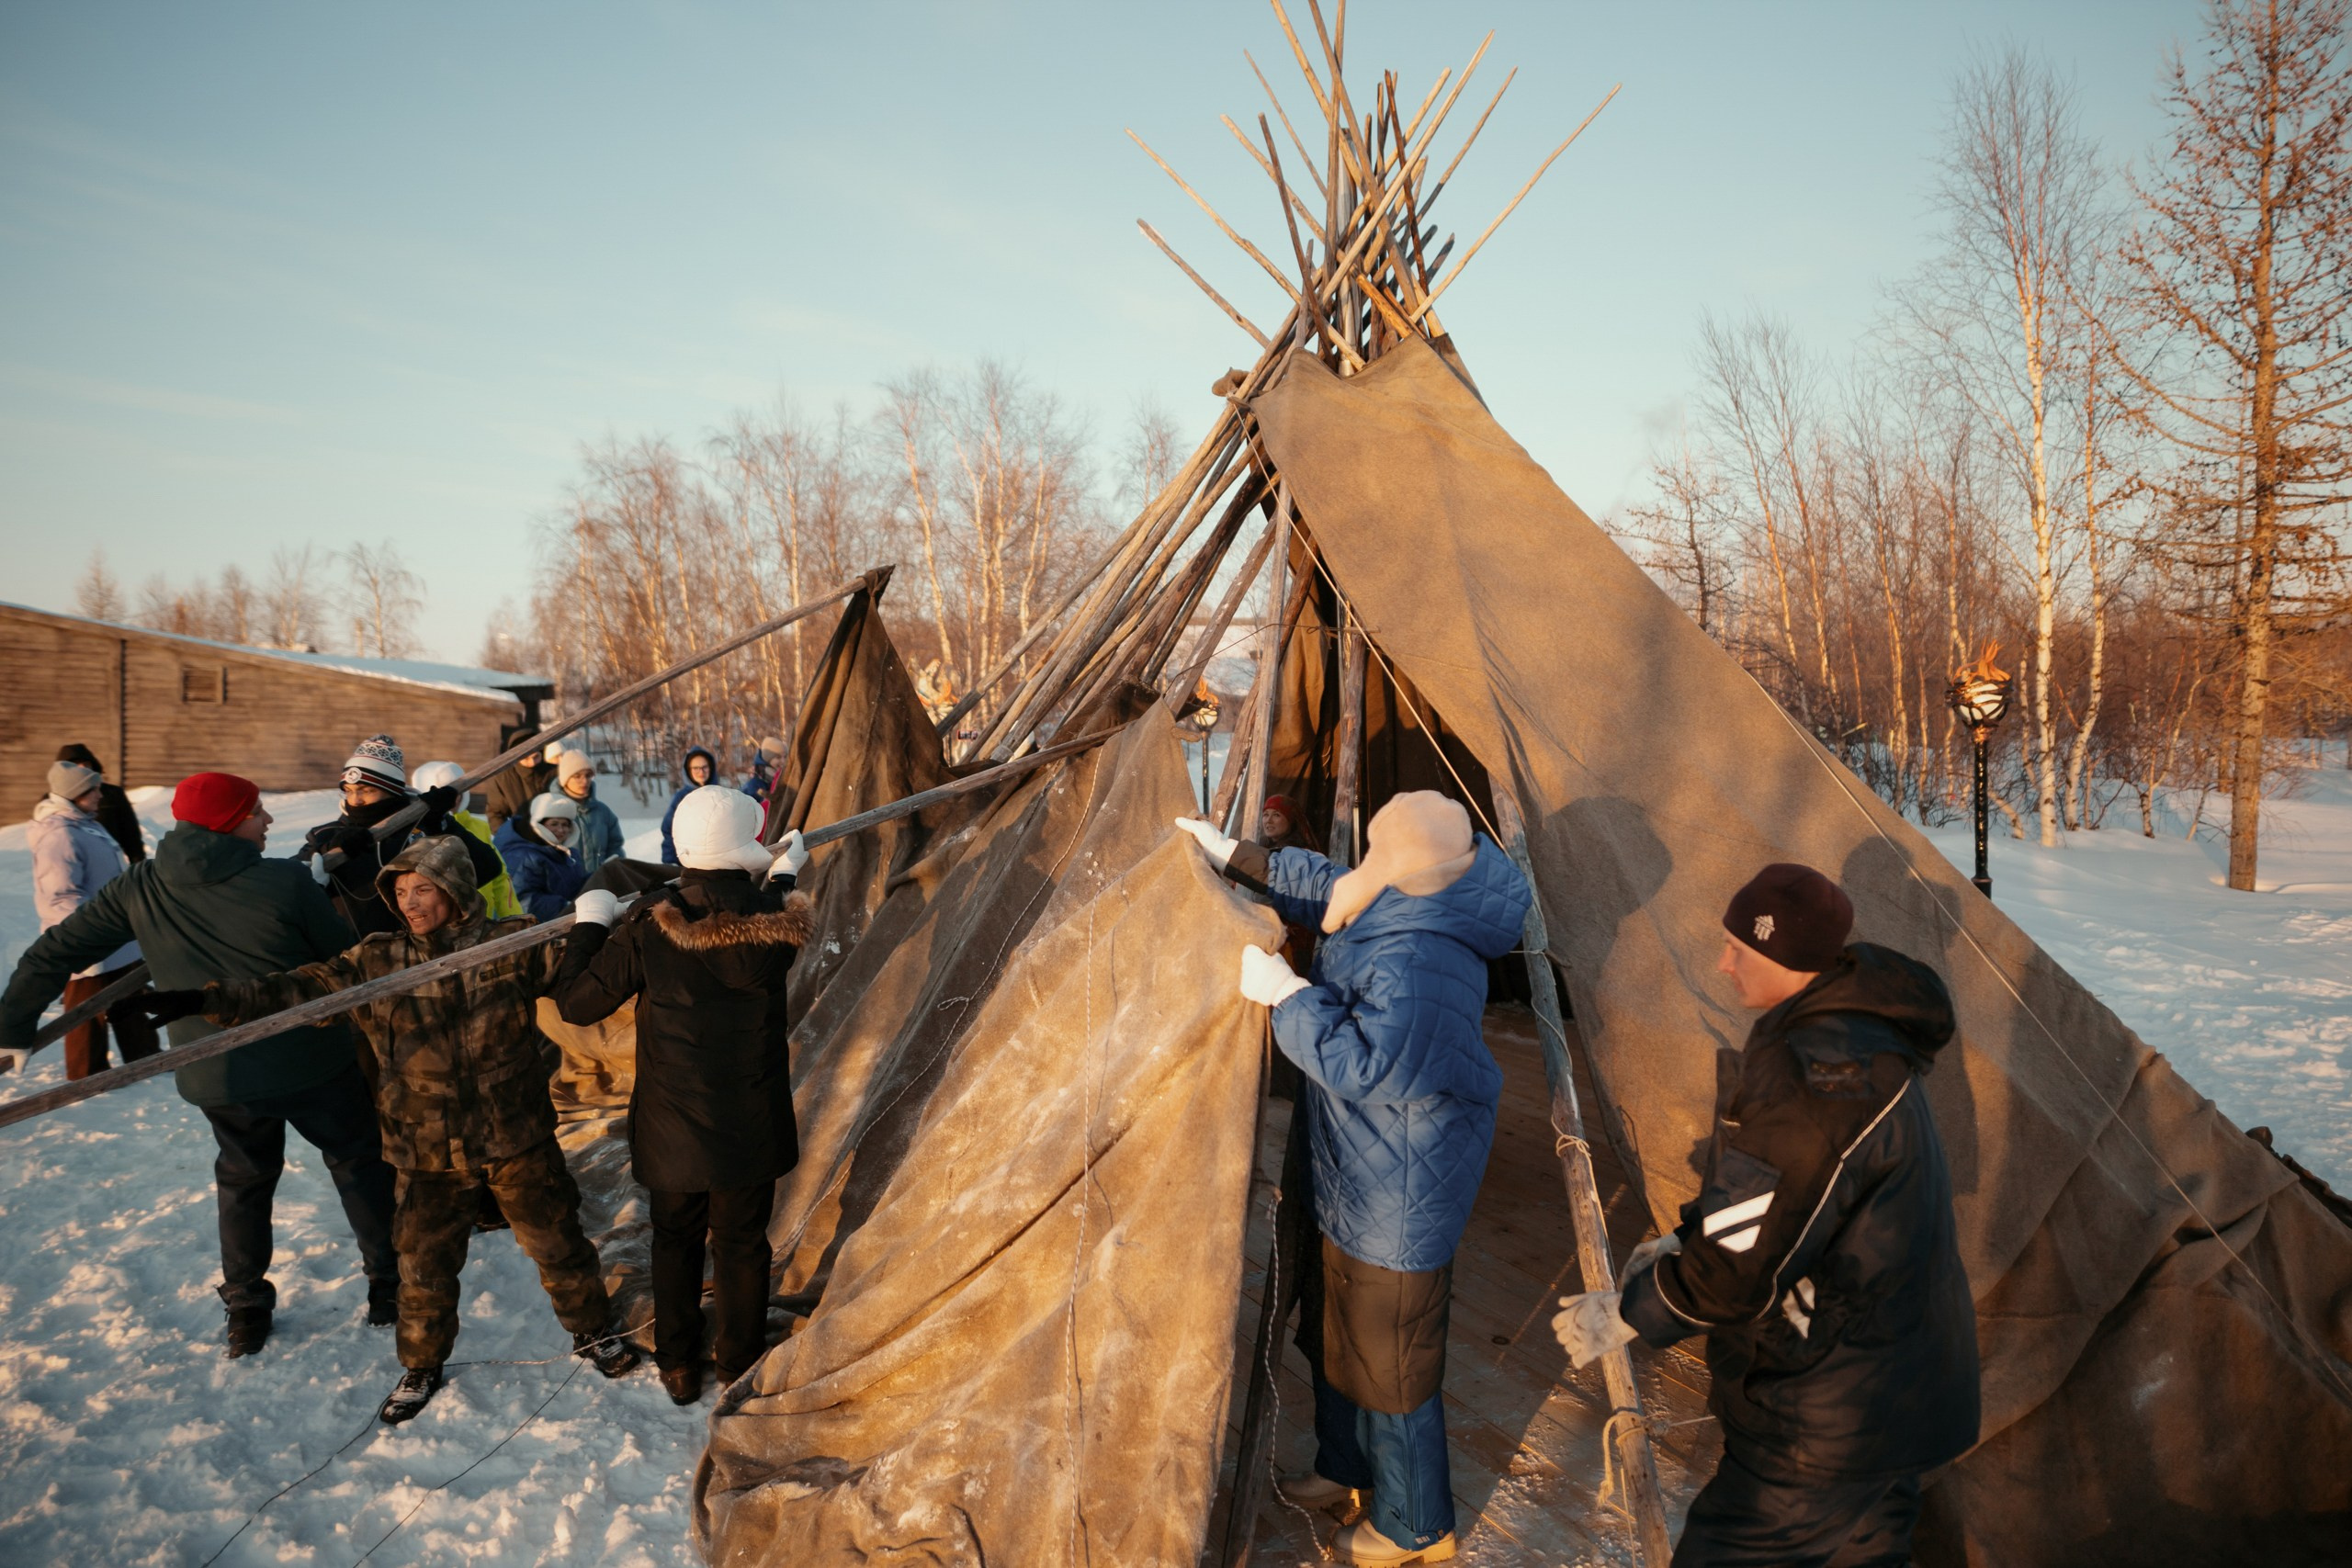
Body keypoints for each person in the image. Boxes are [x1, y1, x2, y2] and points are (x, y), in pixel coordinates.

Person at [1553, 863, 1979, 1568]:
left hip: (1829, 1412)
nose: (1722, 963)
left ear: (1788, 957)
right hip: (1897, 1388)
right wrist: (1684, 1237)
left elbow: (1736, 1270)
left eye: (1739, 949)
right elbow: (1793, 1202)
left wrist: (1632, 1309)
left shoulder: (1819, 1072)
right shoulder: (1858, 1033)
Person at [131, 836, 641, 1423]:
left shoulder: (510, 946)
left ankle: (593, 1331)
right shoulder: (376, 960)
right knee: (421, 1266)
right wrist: (208, 999)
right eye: (400, 892)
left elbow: (587, 974)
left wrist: (607, 923)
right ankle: (421, 1364)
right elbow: (294, 989)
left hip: (514, 1136)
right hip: (424, 1148)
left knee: (559, 1244)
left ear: (454, 888)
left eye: (423, 889)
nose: (410, 903)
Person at [1175, 791, 1531, 1567]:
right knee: (1342, 1335)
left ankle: (1416, 1525)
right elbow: (1332, 883)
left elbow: (1374, 1063)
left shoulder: (1426, 954)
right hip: (1359, 1164)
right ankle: (1349, 1466)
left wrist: (1289, 998)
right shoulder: (1414, 888)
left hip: (1400, 1188)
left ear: (1402, 863)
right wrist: (1235, 854)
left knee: (1393, 1361)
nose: (1366, 863)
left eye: (1378, 851)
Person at [1, 773, 398, 1356]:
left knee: (243, 1180)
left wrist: (11, 1026)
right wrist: (312, 893)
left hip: (218, 1073)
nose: (266, 821)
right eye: (257, 812)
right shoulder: (284, 881)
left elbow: (56, 950)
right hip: (313, 1061)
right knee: (359, 1161)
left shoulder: (142, 885)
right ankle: (389, 1286)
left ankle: (245, 1305)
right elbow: (341, 962)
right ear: (229, 822)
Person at [553, 787, 810, 1406]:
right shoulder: (776, 922)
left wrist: (589, 927)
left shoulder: (649, 922)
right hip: (750, 1121)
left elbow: (577, 1002)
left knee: (674, 1240)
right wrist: (783, 874)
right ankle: (737, 1363)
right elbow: (760, 905)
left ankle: (676, 1364)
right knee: (743, 1244)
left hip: (673, 1126)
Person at [26, 759, 157, 1078]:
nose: (101, 795)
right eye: (93, 790)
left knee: (131, 995)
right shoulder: (59, 834)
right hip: (90, 938)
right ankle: (86, 1075)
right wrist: (92, 933)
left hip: (116, 936)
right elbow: (60, 897)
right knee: (86, 1011)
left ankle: (145, 1059)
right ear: (75, 794)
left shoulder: (84, 821)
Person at [302, 734, 503, 941]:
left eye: (366, 790)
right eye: (349, 791)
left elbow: (488, 867)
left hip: (426, 952)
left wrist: (442, 825)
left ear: (392, 790)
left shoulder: (422, 827)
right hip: (358, 957)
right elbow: (290, 885)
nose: (355, 800)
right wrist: (329, 851)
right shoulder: (324, 836)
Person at [411, 761, 522, 920]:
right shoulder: (416, 833)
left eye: (457, 794)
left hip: (482, 923)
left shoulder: (479, 827)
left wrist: (515, 920)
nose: (453, 801)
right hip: (439, 923)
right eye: (443, 796)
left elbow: (500, 879)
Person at [495, 795, 587, 919]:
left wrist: (597, 878)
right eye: (554, 824)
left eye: (565, 824)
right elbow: (522, 902)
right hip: (534, 931)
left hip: (566, 921)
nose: (560, 830)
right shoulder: (521, 856)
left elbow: (573, 886)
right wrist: (567, 906)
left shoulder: (567, 853)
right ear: (539, 824)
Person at [53, 743, 145, 863]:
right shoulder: (53, 801)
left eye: (86, 764)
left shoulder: (112, 794)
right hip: (71, 864)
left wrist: (139, 871)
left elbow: (131, 837)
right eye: (75, 764)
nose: (82, 767)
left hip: (109, 865)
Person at [551, 750, 625, 875]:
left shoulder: (603, 812)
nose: (584, 781)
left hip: (601, 884)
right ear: (565, 779)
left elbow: (615, 848)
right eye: (577, 776)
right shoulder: (551, 811)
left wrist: (612, 873)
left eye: (588, 775)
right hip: (567, 888)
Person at [484, 736, 563, 834]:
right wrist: (508, 837)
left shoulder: (554, 772)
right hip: (522, 837)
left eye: (536, 757)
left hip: (556, 834)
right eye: (526, 758)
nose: (532, 763)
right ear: (517, 757)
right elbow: (495, 814)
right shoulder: (504, 779)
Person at [658, 746, 719, 865]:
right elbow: (668, 829)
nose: (701, 772)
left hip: (717, 862)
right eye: (696, 768)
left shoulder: (721, 794)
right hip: (689, 863)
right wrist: (671, 862)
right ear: (688, 770)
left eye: (704, 767)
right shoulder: (681, 798)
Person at [741, 736, 786, 811]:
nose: (783, 761)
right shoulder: (755, 784)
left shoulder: (780, 778)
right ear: (767, 758)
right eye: (778, 757)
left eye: (785, 757)